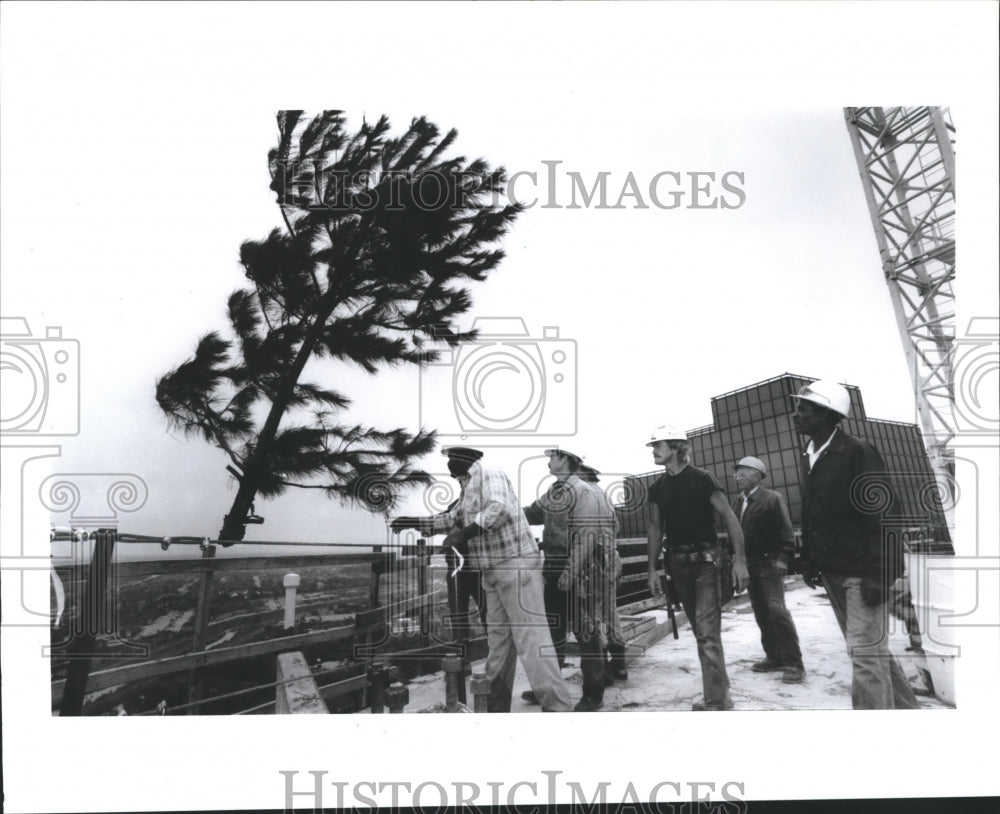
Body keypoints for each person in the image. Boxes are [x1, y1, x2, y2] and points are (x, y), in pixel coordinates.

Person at [391, 447, 572, 713]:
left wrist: (462, 535)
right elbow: (450, 520)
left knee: (532, 639)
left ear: (466, 460)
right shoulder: (467, 488)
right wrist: (415, 522)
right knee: (498, 644)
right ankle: (494, 707)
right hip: (493, 572)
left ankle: (558, 707)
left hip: (516, 566)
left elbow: (499, 510)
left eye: (451, 459)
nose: (449, 466)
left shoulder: (489, 474)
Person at [791, 380, 919, 710]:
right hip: (833, 571)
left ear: (826, 414)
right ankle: (909, 711)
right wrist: (810, 559)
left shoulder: (856, 452)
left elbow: (886, 514)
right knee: (870, 652)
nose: (797, 413)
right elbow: (816, 515)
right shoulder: (812, 455)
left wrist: (882, 573)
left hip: (861, 573)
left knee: (864, 655)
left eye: (804, 408)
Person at [644, 424, 749, 711]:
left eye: (658, 445)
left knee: (706, 633)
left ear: (677, 448)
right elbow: (655, 529)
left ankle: (716, 701)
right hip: (678, 567)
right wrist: (652, 569)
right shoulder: (657, 488)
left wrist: (740, 560)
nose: (653, 450)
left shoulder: (702, 479)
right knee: (703, 632)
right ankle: (720, 690)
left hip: (707, 565)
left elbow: (729, 517)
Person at [522, 448, 616, 711]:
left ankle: (593, 695)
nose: (549, 461)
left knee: (586, 634)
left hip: (578, 571)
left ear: (565, 460)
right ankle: (549, 689)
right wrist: (505, 511)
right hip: (553, 569)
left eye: (552, 457)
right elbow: (531, 513)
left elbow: (586, 537)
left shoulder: (583, 492)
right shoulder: (555, 492)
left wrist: (570, 572)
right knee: (553, 632)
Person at [731, 455, 805, 684]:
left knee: (778, 612)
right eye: (737, 473)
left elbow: (786, 532)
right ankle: (774, 657)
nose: (737, 477)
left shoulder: (773, 498)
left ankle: (794, 663)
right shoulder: (737, 501)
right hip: (749, 564)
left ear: (756, 475)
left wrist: (783, 559)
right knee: (761, 612)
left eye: (742, 473)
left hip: (769, 563)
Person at [578, 463, 629, 685]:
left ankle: (601, 671)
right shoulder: (604, 496)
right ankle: (619, 665)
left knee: (593, 614)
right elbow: (614, 527)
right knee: (610, 612)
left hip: (595, 561)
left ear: (584, 475)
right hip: (610, 558)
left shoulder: (586, 496)